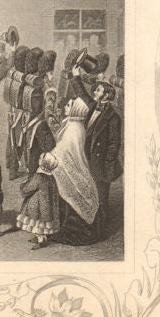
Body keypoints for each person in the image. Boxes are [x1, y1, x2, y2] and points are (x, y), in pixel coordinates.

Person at [48, 98, 106, 246]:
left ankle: (72, 230)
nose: (65, 106)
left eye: (68, 105)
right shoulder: (74, 124)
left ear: (75, 110)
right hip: (71, 165)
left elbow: (65, 149)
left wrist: (51, 156)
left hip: (69, 166)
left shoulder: (74, 128)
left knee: (70, 194)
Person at [71, 72, 123, 216]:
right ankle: (88, 224)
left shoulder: (113, 117)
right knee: (87, 193)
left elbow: (114, 144)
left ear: (106, 95)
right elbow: (82, 93)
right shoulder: (93, 106)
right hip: (87, 157)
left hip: (101, 163)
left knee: (101, 197)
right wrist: (76, 76)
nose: (94, 91)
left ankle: (100, 228)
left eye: (98, 90)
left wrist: (107, 163)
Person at [18, 152, 61, 250]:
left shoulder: (39, 176)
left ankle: (41, 241)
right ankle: (39, 238)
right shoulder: (51, 177)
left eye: (41, 158)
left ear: (44, 163)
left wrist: (23, 185)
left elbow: (28, 189)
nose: (39, 159)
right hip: (47, 206)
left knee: (37, 224)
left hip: (38, 206)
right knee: (41, 224)